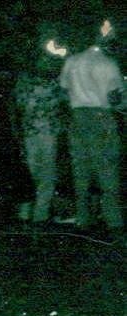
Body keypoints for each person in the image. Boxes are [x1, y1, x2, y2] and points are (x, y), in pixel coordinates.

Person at [58, 24, 123, 233]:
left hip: (77, 116)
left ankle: (83, 218)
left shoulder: (71, 61)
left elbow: (63, 90)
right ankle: (113, 220)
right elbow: (115, 98)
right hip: (100, 116)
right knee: (107, 168)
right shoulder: (108, 63)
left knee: (81, 168)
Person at [13, 50, 65, 224]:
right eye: (44, 61)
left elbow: (20, 106)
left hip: (41, 133)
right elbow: (20, 105)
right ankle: (32, 214)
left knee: (42, 174)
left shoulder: (51, 83)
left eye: (48, 62)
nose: (46, 65)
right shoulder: (31, 82)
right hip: (38, 134)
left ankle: (36, 214)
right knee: (38, 174)